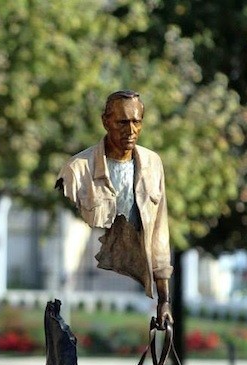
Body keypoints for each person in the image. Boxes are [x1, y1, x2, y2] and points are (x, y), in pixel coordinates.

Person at [56, 90, 173, 326]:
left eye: (136, 122)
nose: (131, 130)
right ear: (105, 122)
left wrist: (164, 300)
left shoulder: (152, 164)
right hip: (92, 280)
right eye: (122, 122)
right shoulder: (76, 170)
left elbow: (159, 233)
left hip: (137, 273)